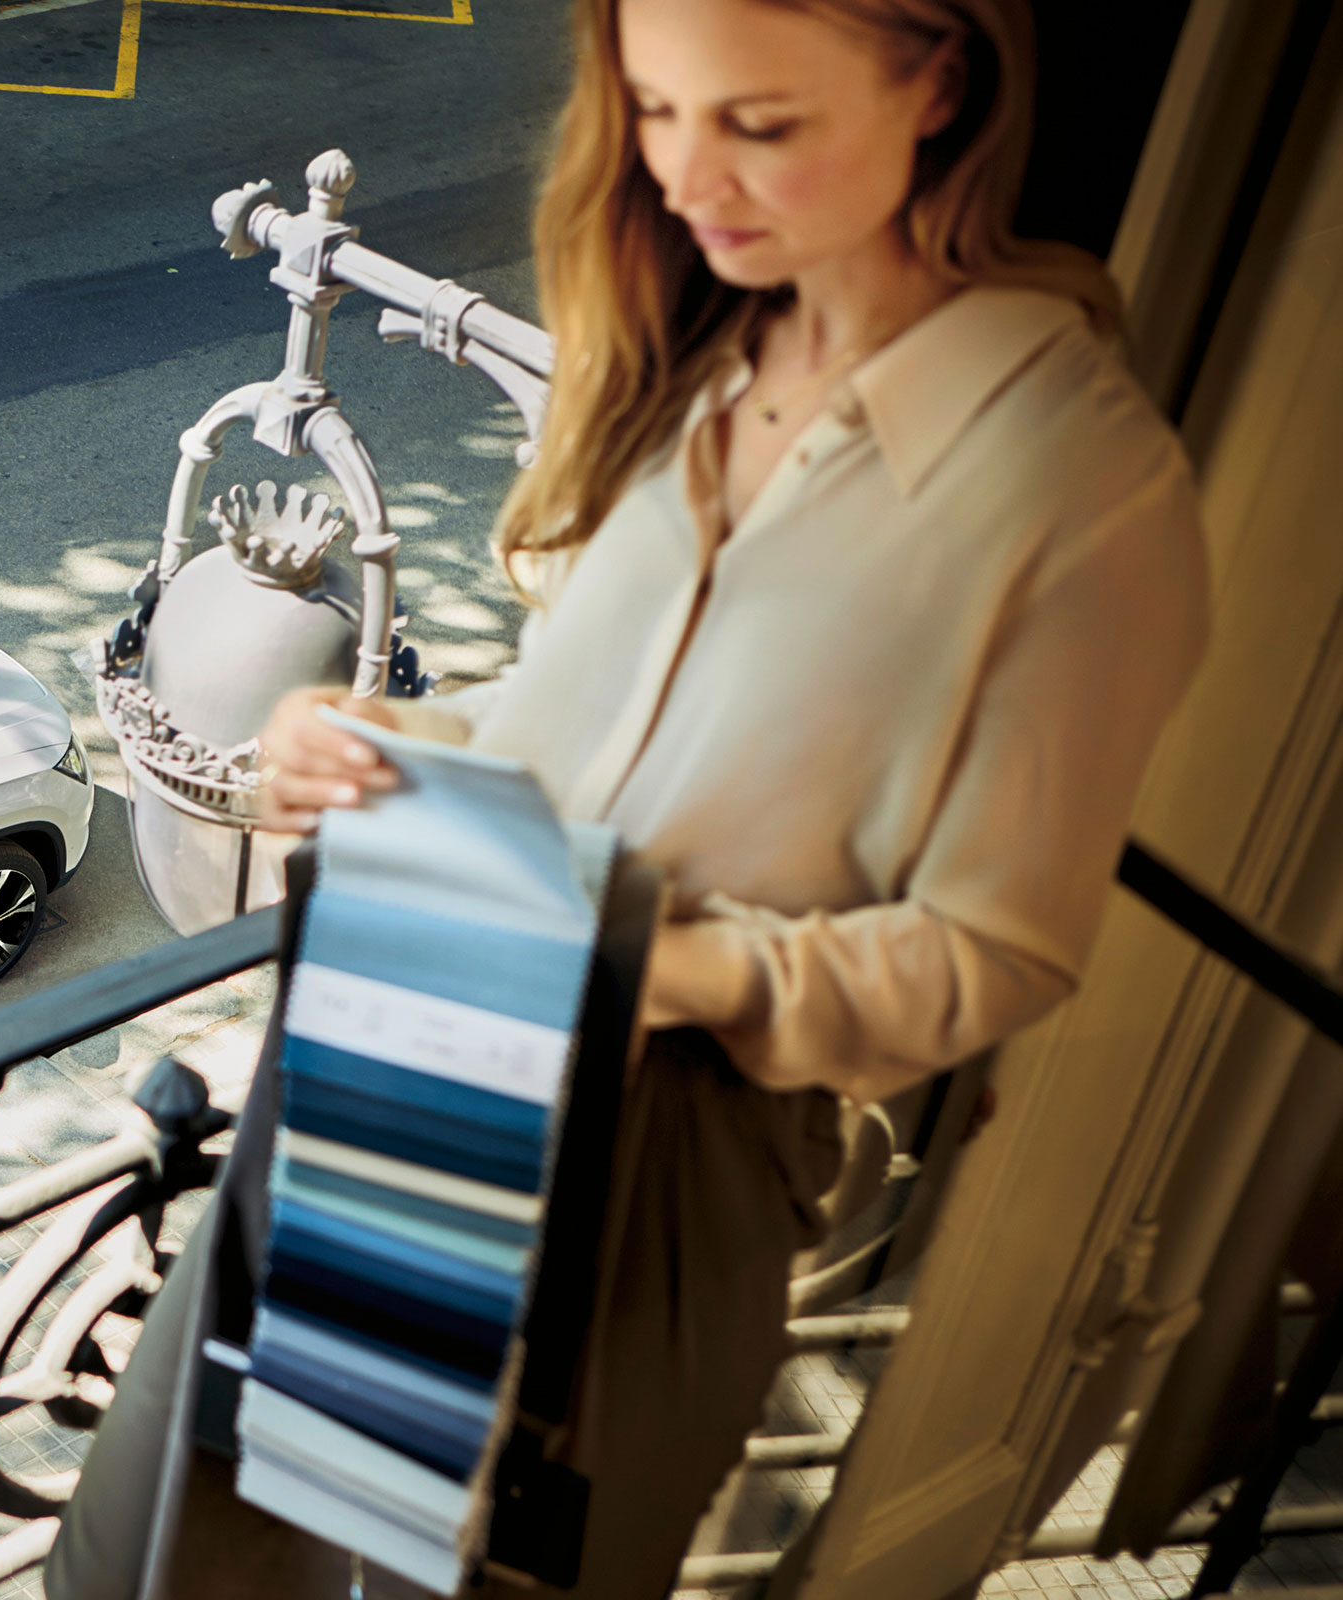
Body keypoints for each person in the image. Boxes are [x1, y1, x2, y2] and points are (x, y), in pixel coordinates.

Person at [67, 1, 1208, 1594]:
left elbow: (998, 952)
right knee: (199, 1542)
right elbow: (576, 730)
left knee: (464, 1574)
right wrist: (396, 753)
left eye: (759, 122)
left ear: (940, 82)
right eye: (660, 111)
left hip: (655, 1153)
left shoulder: (1076, 488)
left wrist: (682, 965)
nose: (689, 177)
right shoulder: (709, 350)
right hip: (418, 1033)